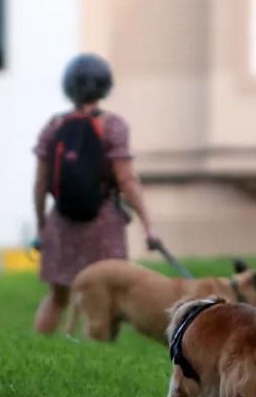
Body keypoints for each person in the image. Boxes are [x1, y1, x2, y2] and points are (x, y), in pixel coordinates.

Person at [31, 53, 160, 334]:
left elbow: (40, 184)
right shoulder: (113, 126)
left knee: (58, 297)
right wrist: (148, 225)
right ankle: (99, 358)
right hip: (103, 226)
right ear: (105, 86)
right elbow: (126, 180)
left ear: (68, 87)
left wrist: (42, 227)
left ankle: (38, 351)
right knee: (110, 297)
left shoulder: (54, 127)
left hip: (61, 223)